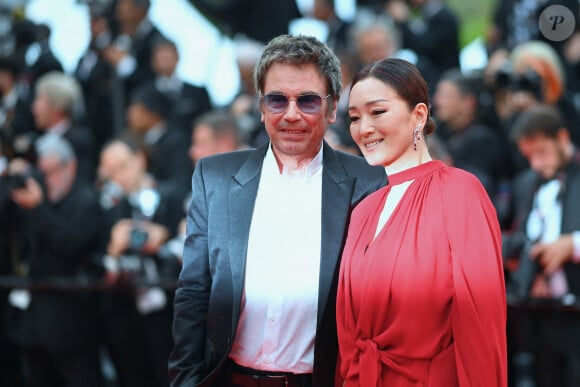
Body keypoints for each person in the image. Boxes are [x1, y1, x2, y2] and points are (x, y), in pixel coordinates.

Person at [168, 34, 387, 386]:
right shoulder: (216, 178)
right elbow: (193, 293)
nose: (291, 114)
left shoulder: (368, 184)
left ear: (333, 109)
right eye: (277, 100)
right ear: (260, 107)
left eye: (308, 101)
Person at [336, 57, 507, 386]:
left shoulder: (460, 192)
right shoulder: (362, 211)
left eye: (378, 112)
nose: (363, 128)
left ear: (419, 114)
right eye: (354, 117)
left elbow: (481, 327)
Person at [4, 135, 103, 387]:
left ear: (70, 166)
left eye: (52, 172)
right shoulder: (38, 197)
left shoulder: (86, 200)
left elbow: (70, 244)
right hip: (35, 325)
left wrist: (38, 209)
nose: (46, 181)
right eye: (42, 173)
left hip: (73, 324)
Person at [502, 104, 580, 387]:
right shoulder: (526, 183)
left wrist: (572, 244)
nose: (535, 163)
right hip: (538, 314)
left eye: (541, 153)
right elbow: (517, 234)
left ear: (561, 138)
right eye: (528, 156)